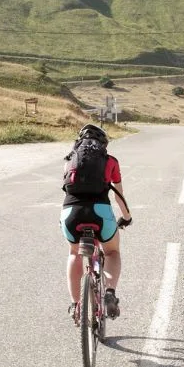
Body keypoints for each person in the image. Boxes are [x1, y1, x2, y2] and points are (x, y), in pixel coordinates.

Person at [60, 124, 131, 321]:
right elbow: (119, 195)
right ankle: (109, 293)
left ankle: (76, 305)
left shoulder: (69, 161)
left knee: (74, 253)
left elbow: (67, 189)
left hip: (71, 213)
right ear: (103, 144)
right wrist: (126, 217)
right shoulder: (110, 161)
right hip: (100, 213)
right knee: (112, 252)